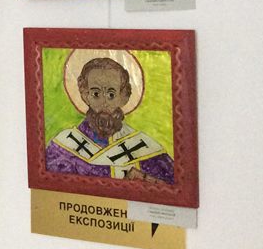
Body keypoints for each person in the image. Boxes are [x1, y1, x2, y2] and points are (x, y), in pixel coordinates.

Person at [46, 52, 174, 184]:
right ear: (85, 94)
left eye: (111, 94)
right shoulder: (63, 147)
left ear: (124, 97)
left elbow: (170, 185)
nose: (104, 102)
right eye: (96, 93)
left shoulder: (146, 148)